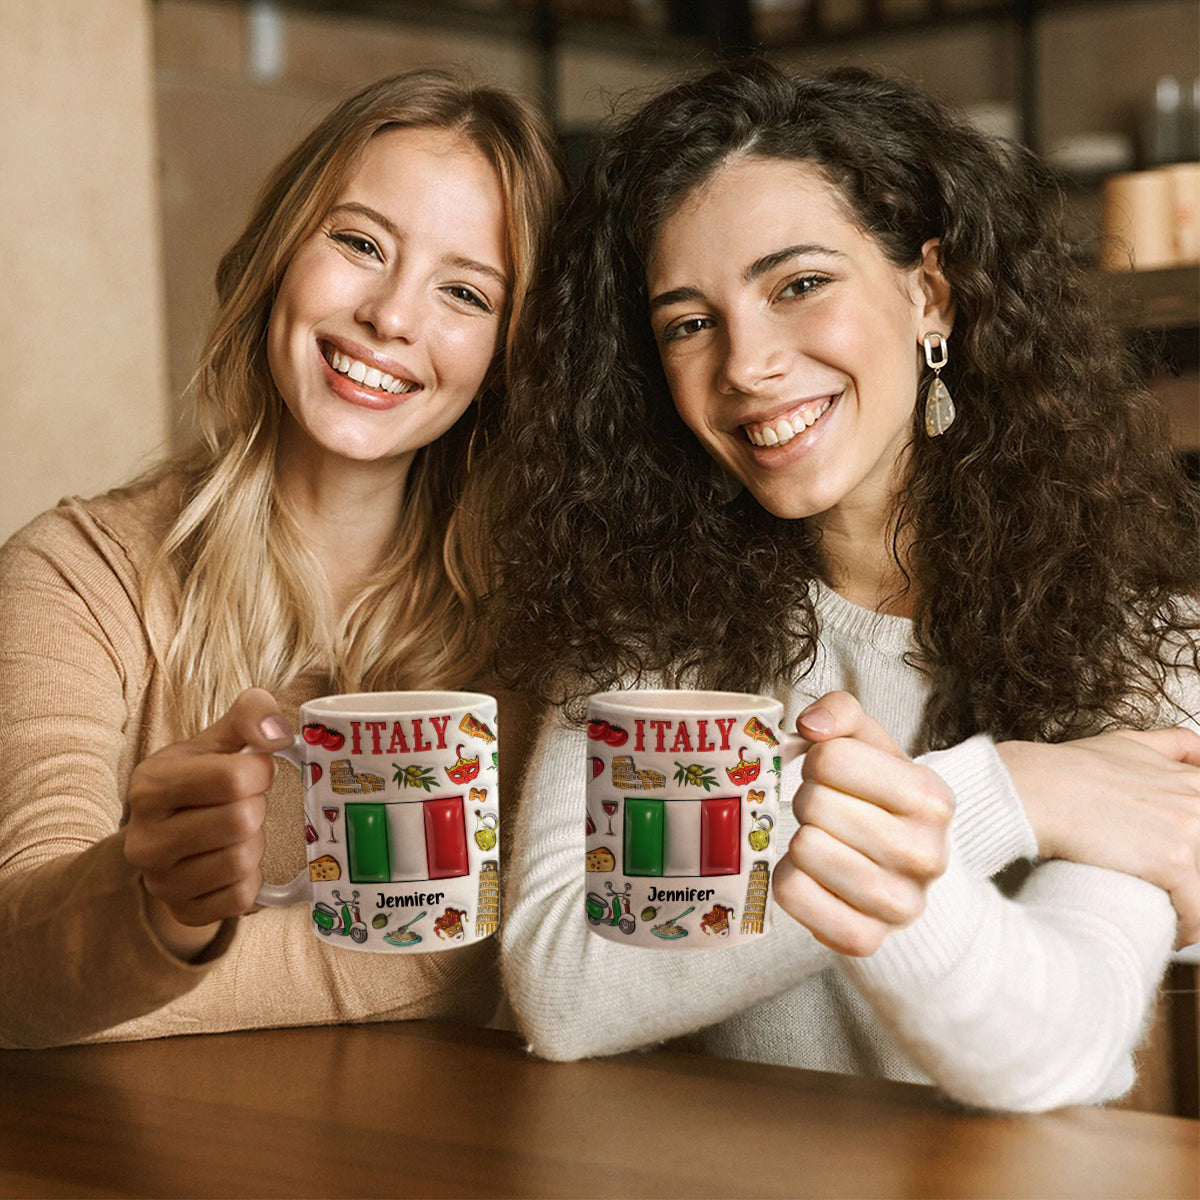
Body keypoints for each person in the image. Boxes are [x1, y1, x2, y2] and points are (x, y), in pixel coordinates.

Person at [488, 60, 1200, 1111]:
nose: (746, 363)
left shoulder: (1144, 638)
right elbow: (560, 987)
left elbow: (1056, 1045)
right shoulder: (644, 633)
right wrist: (1005, 793)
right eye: (689, 322)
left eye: (799, 285)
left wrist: (906, 812)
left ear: (930, 295)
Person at [0, 69, 563, 1048]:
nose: (392, 316)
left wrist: (143, 972)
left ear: (508, 356)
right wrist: (159, 910)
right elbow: (18, 968)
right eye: (358, 243)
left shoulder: (539, 623)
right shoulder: (74, 575)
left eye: (465, 292)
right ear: (277, 257)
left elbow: (517, 944)